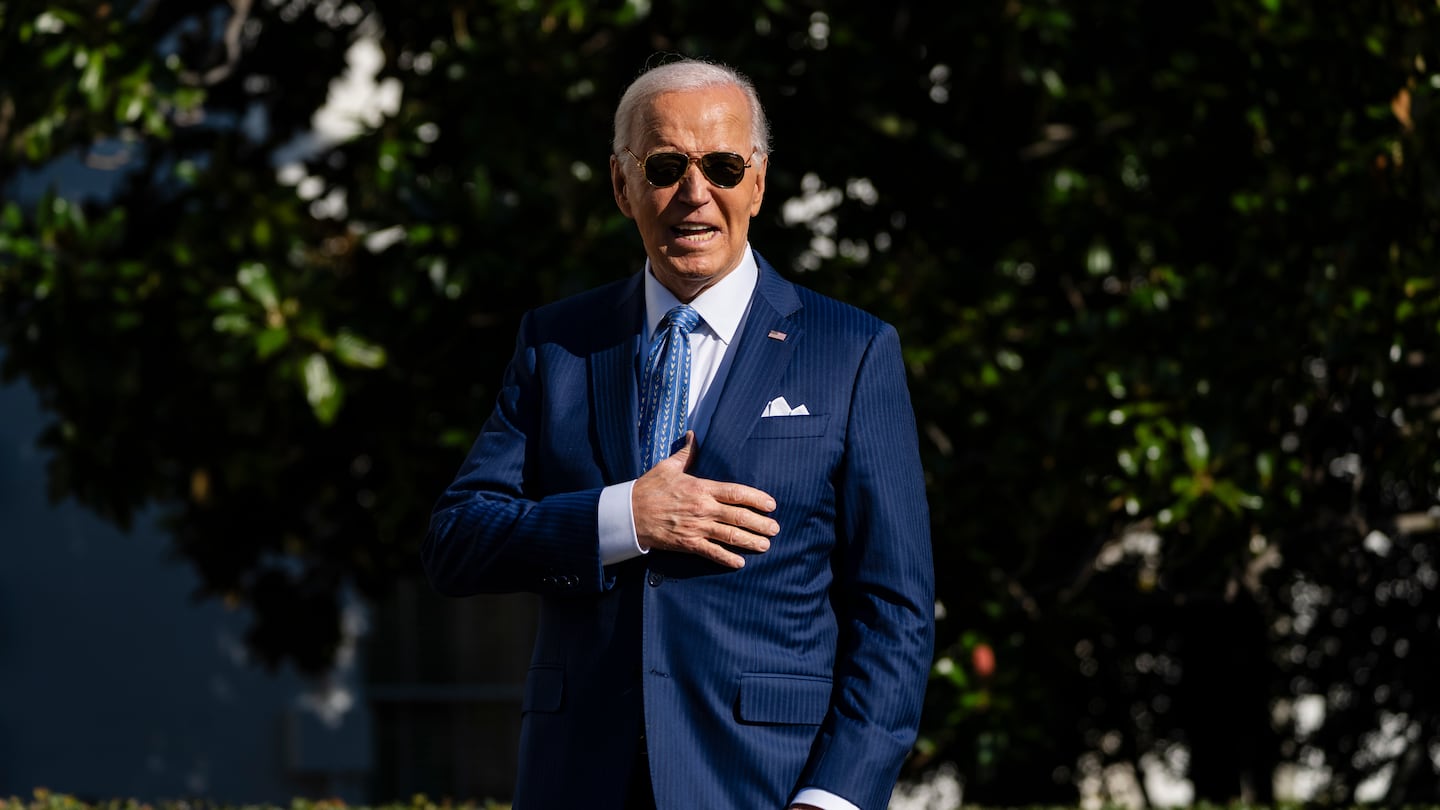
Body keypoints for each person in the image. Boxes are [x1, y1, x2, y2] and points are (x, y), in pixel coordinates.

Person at [422, 57, 934, 810]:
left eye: (723, 166)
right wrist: (625, 517)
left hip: (765, 784)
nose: (696, 194)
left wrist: (836, 797)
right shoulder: (558, 344)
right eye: (665, 166)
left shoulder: (850, 351)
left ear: (758, 183)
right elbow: (456, 541)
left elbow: (895, 612)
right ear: (622, 185)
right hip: (577, 781)